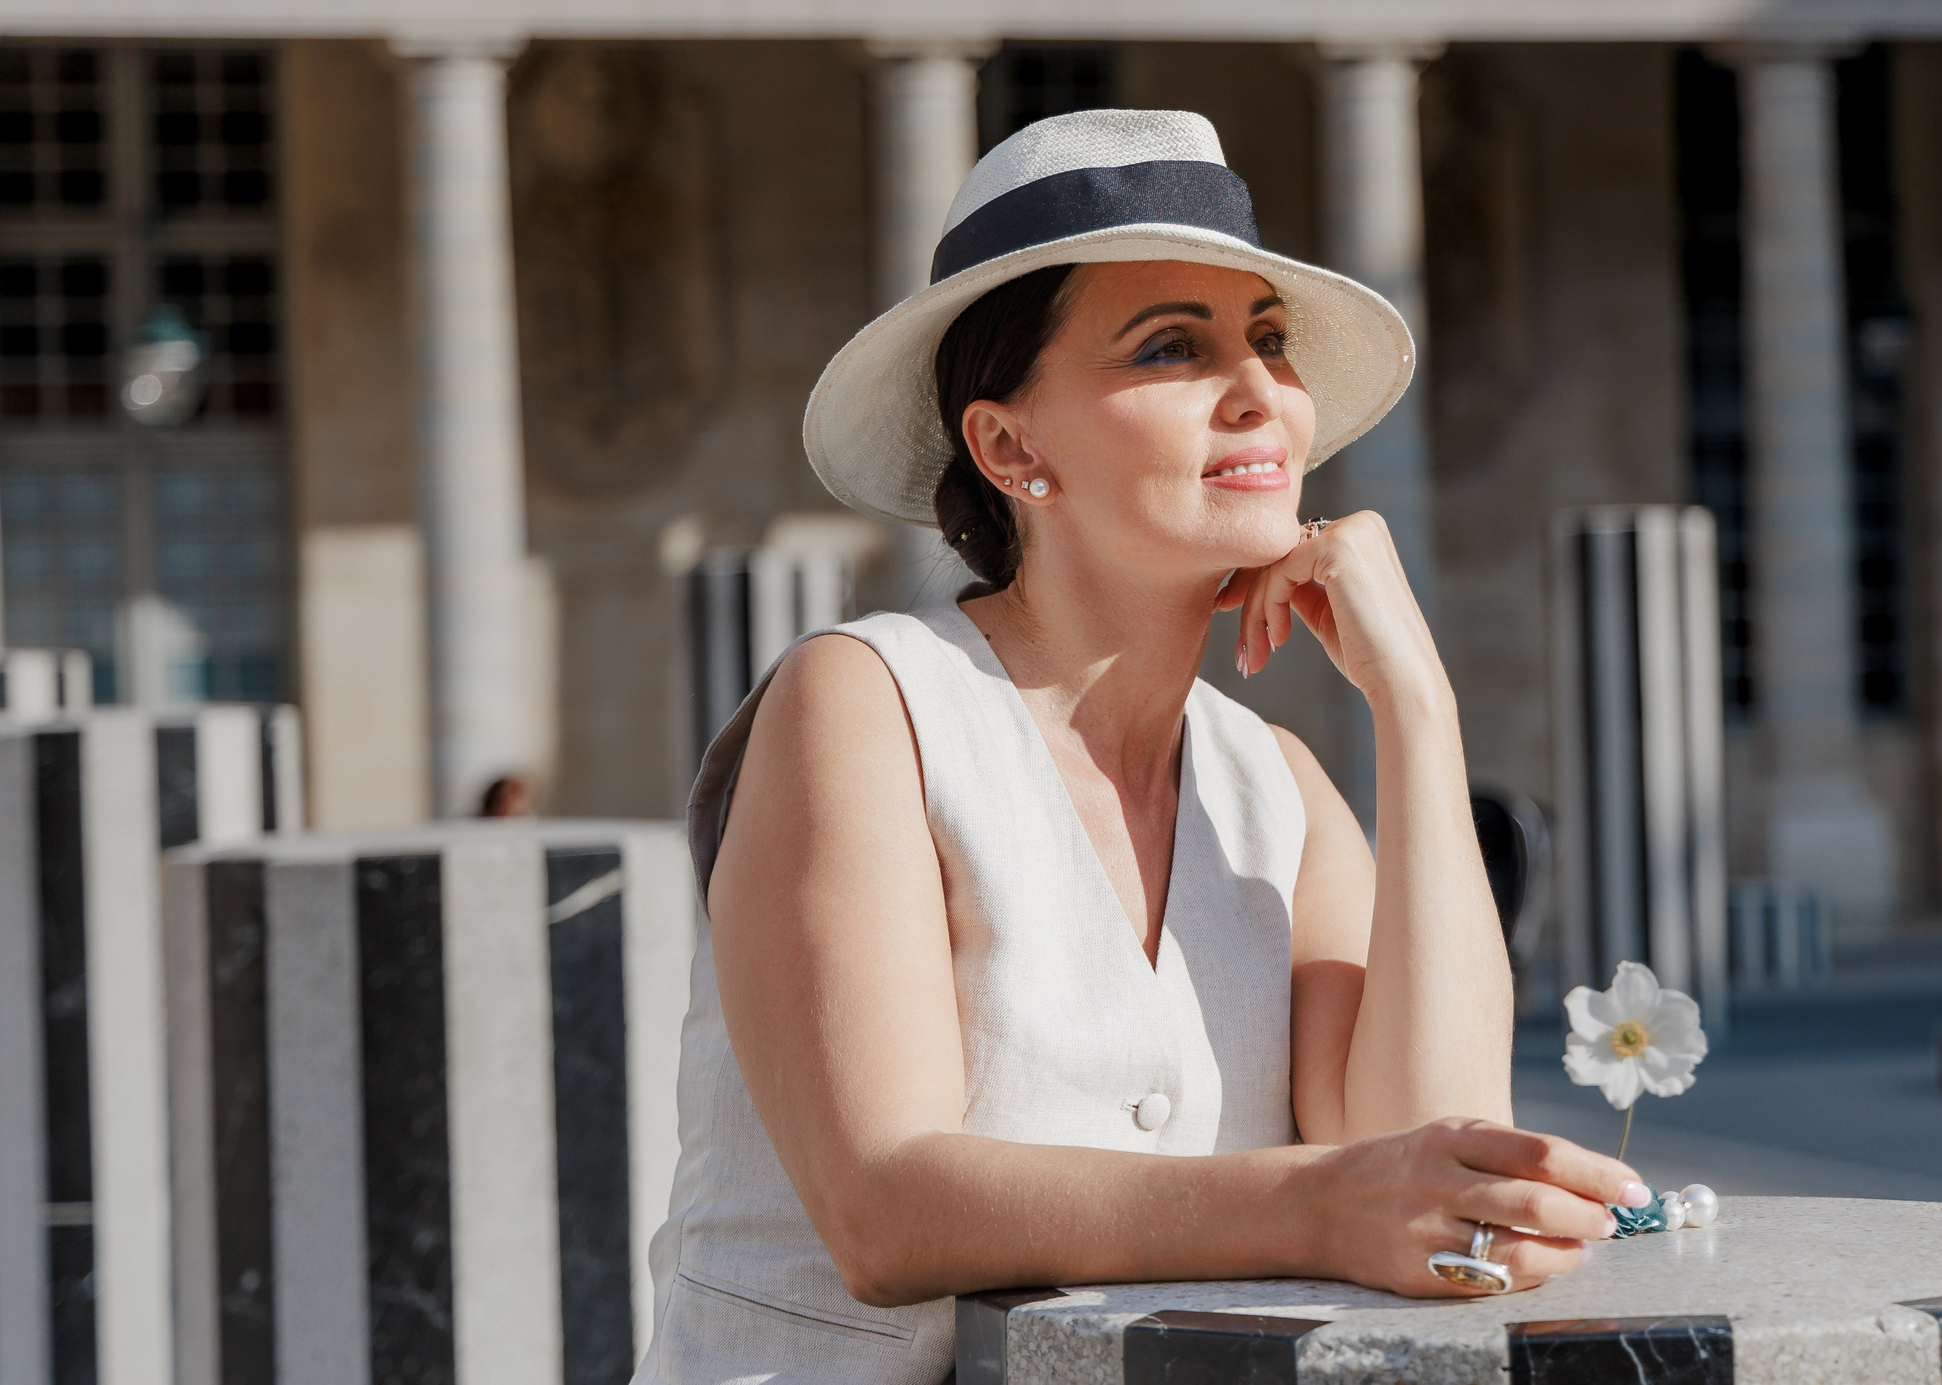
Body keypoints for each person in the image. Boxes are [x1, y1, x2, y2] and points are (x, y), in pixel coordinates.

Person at [638, 111, 1649, 1384]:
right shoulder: (865, 704)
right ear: (1010, 446)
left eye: (1269, 344)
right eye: (1173, 346)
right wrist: (1315, 1206)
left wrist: (1418, 707)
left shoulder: (1277, 786)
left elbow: (1437, 1173)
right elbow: (883, 1212)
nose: (1261, 395)